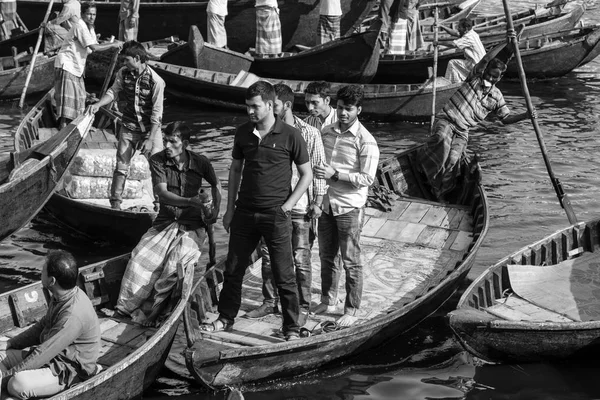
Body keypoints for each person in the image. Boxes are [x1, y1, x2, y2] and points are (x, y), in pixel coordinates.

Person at [200, 81, 312, 341]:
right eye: (247, 106)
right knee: (233, 269)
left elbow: (306, 175)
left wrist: (287, 206)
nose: (250, 111)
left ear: (271, 105)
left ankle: (291, 328)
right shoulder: (242, 133)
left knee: (284, 274)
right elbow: (235, 170)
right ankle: (226, 318)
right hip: (245, 213)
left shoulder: (291, 135)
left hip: (276, 214)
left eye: (255, 106)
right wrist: (229, 210)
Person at [115, 121, 222, 327]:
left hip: (192, 226)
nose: (167, 145)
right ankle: (124, 308)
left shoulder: (201, 163)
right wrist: (191, 201)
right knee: (139, 258)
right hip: (165, 223)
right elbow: (162, 194)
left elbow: (216, 185)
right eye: (165, 140)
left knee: (174, 266)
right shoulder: (158, 160)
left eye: (173, 141)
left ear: (185, 144)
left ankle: (155, 315)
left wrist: (214, 210)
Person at [245, 83, 326, 327]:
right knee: (269, 258)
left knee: (300, 258)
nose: (270, 110)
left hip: (300, 206)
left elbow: (318, 171)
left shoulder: (309, 133)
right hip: (272, 206)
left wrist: (318, 202)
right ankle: (270, 302)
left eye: (275, 106)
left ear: (285, 106)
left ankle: (302, 306)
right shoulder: (263, 132)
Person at [418, 57, 533, 200]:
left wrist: (525, 115)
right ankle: (425, 166)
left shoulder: (497, 96)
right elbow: (485, 59)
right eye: (489, 74)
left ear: (500, 77)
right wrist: (506, 43)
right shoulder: (474, 78)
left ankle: (440, 191)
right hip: (447, 120)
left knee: (453, 161)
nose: (490, 78)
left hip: (462, 131)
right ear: (485, 71)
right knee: (441, 140)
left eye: (494, 77)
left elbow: (505, 118)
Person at [313, 85, 380, 327]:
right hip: (327, 204)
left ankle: (352, 309)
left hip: (349, 207)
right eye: (340, 108)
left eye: (348, 109)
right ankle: (327, 299)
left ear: (358, 110)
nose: (343, 113)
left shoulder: (366, 141)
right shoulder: (326, 131)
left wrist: (335, 175)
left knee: (351, 259)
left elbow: (366, 179)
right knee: (326, 256)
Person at [0, 250, 100, 399]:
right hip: (52, 356)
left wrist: (5, 378)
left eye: (43, 271)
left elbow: (43, 353)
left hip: (68, 368)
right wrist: (10, 343)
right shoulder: (61, 295)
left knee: (17, 383)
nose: (40, 273)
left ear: (52, 281)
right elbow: (41, 327)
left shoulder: (72, 315)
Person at [88, 40, 165, 211]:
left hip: (150, 130)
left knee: (158, 168)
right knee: (121, 167)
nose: (124, 63)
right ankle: (115, 204)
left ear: (137, 58)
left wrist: (150, 139)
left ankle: (160, 206)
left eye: (127, 60)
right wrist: (98, 105)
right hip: (129, 126)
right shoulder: (124, 73)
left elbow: (157, 114)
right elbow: (113, 91)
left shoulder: (156, 81)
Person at [54, 1, 122, 129]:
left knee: (79, 99)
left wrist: (107, 44)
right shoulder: (80, 26)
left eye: (94, 14)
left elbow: (92, 48)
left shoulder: (89, 28)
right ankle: (62, 130)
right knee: (67, 106)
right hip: (67, 65)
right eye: (89, 14)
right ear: (82, 14)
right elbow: (94, 48)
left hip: (76, 67)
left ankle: (76, 126)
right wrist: (113, 44)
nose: (92, 17)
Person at [439, 18, 486, 83]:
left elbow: (453, 44)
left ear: (466, 29)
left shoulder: (468, 37)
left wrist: (438, 43)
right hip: (481, 63)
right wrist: (441, 26)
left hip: (476, 64)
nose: (458, 28)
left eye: (459, 27)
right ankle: (458, 81)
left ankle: (452, 84)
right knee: (456, 64)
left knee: (452, 63)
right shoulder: (472, 33)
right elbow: (455, 33)